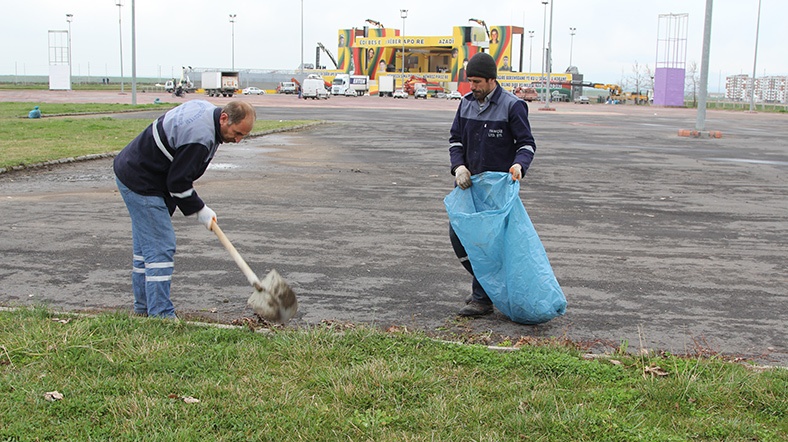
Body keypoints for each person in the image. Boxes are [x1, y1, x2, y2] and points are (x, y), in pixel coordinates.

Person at [113, 100, 256, 318]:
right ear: (224, 118)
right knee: (161, 248)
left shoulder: (206, 113)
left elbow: (176, 172)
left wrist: (196, 207)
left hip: (140, 171)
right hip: (141, 180)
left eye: (243, 136)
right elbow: (178, 183)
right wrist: (200, 210)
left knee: (146, 251)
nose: (237, 140)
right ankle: (161, 315)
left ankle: (143, 310)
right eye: (237, 133)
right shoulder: (200, 137)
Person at [448, 52, 536, 317]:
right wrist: (459, 167)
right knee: (459, 237)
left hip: (499, 190)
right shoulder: (465, 104)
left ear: (491, 80)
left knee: (490, 243)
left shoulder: (513, 106)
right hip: (469, 186)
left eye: (476, 82)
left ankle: (482, 298)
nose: (472, 87)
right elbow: (455, 141)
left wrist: (519, 166)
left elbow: (526, 144)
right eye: (470, 81)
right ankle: (490, 287)